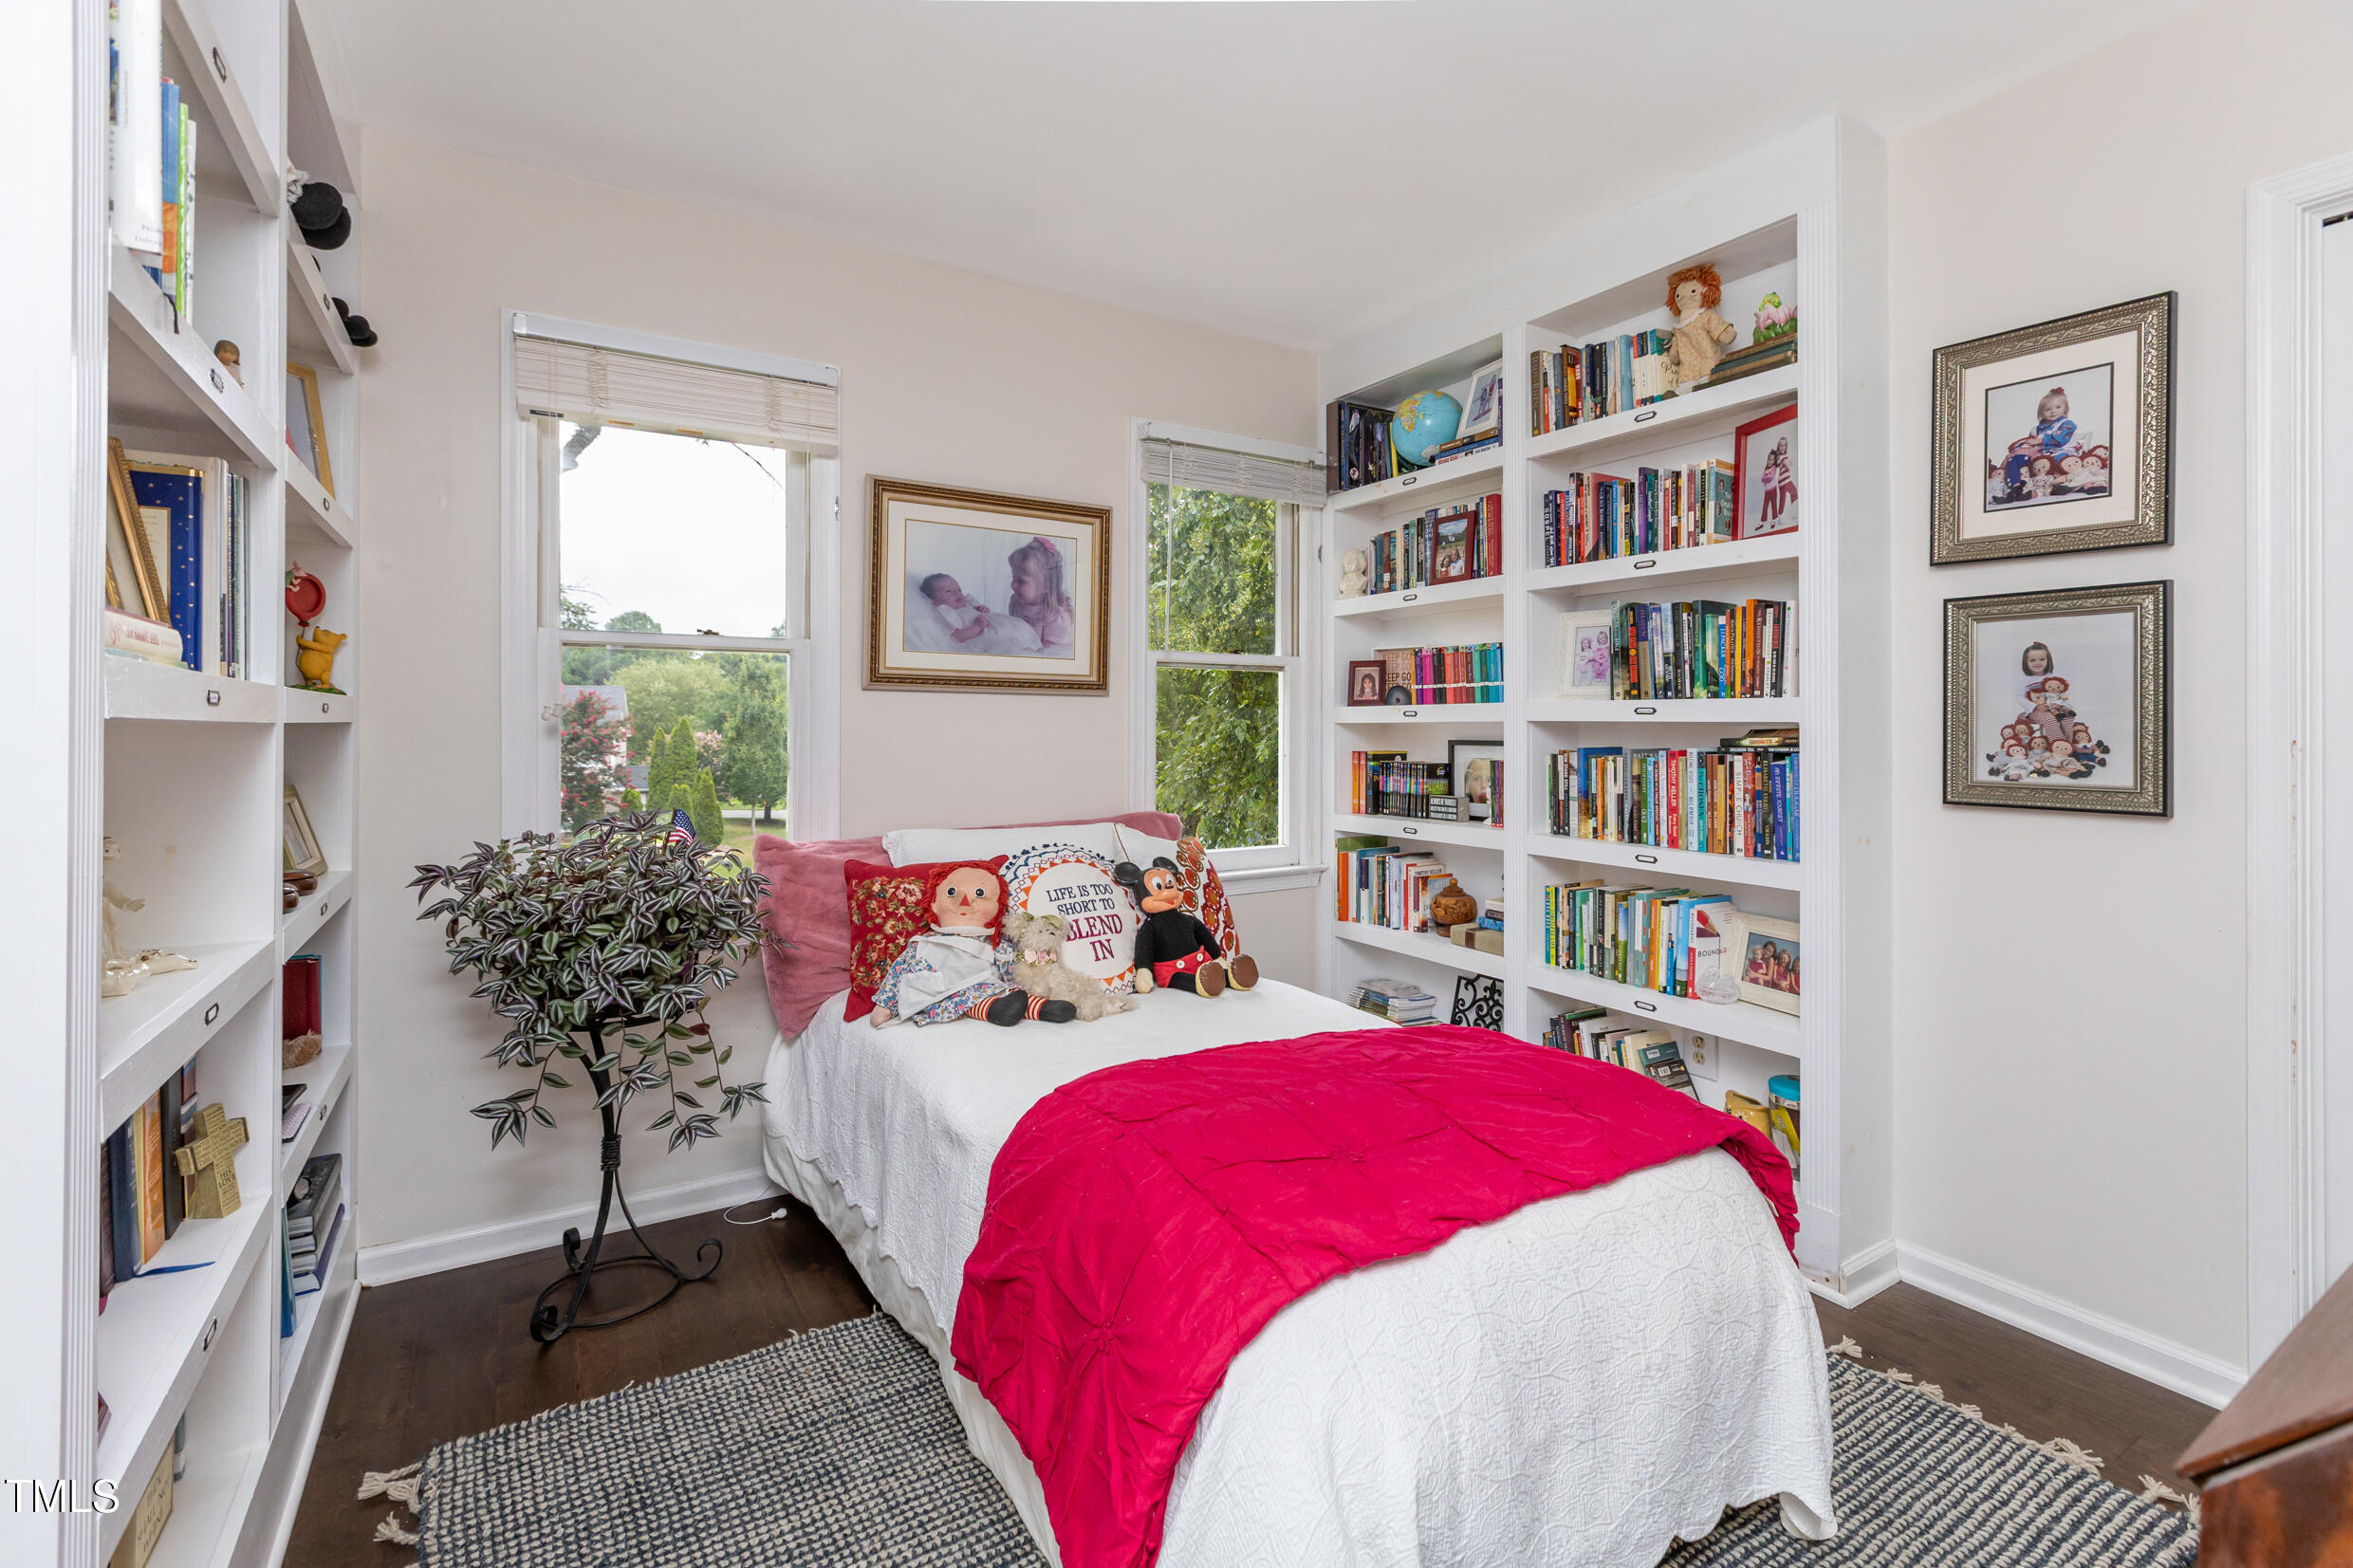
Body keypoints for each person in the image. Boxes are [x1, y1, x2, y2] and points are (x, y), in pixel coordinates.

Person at [2001, 386, 2078, 495]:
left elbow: (2061, 440)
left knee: (2053, 464)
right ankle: (2015, 485)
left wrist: (2040, 441)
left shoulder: (2067, 424)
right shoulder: (2036, 429)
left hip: (2060, 455)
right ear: (2041, 412)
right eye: (2048, 409)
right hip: (2040, 458)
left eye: (2058, 407)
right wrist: (2022, 446)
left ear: (2065, 408)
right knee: (2015, 459)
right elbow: (2031, 443)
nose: (2053, 411)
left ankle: (2055, 485)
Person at [1008, 536, 1075, 653]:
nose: (1013, 585)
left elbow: (1050, 654)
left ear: (1045, 585)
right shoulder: (1016, 601)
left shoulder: (1055, 616)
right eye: (1014, 577)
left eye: (1021, 581)